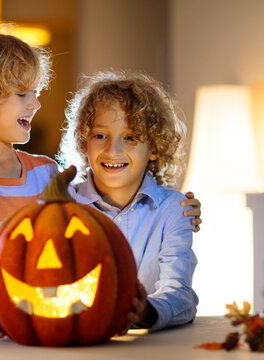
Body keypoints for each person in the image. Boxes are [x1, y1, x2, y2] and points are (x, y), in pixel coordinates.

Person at [0, 26, 201, 324]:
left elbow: (77, 222)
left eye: (35, 92)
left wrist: (178, 207)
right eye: (23, 94)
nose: (36, 103)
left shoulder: (44, 172)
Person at [56, 70, 199, 332]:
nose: (113, 150)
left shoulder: (174, 210)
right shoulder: (63, 206)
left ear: (154, 147)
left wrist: (146, 310)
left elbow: (180, 294)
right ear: (83, 142)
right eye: (100, 135)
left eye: (130, 137)